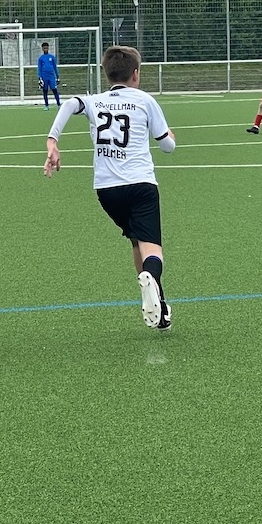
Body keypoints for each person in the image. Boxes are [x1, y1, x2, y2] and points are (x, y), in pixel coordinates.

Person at [43, 45, 176, 331]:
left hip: (107, 190)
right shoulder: (145, 100)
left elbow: (69, 104)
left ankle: (160, 307)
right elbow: (167, 146)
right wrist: (170, 136)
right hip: (140, 185)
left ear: (106, 73)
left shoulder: (95, 101)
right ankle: (153, 282)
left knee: (136, 241)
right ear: (135, 74)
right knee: (152, 247)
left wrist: (53, 141)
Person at [38, 42, 61, 110]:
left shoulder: (52, 57)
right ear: (42, 49)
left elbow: (55, 67)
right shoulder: (41, 58)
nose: (45, 49)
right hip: (44, 76)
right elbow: (39, 68)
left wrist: (57, 75)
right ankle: (46, 105)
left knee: (54, 90)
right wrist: (39, 77)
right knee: (45, 91)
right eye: (44, 48)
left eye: (46, 48)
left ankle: (59, 104)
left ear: (48, 48)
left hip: (51, 76)